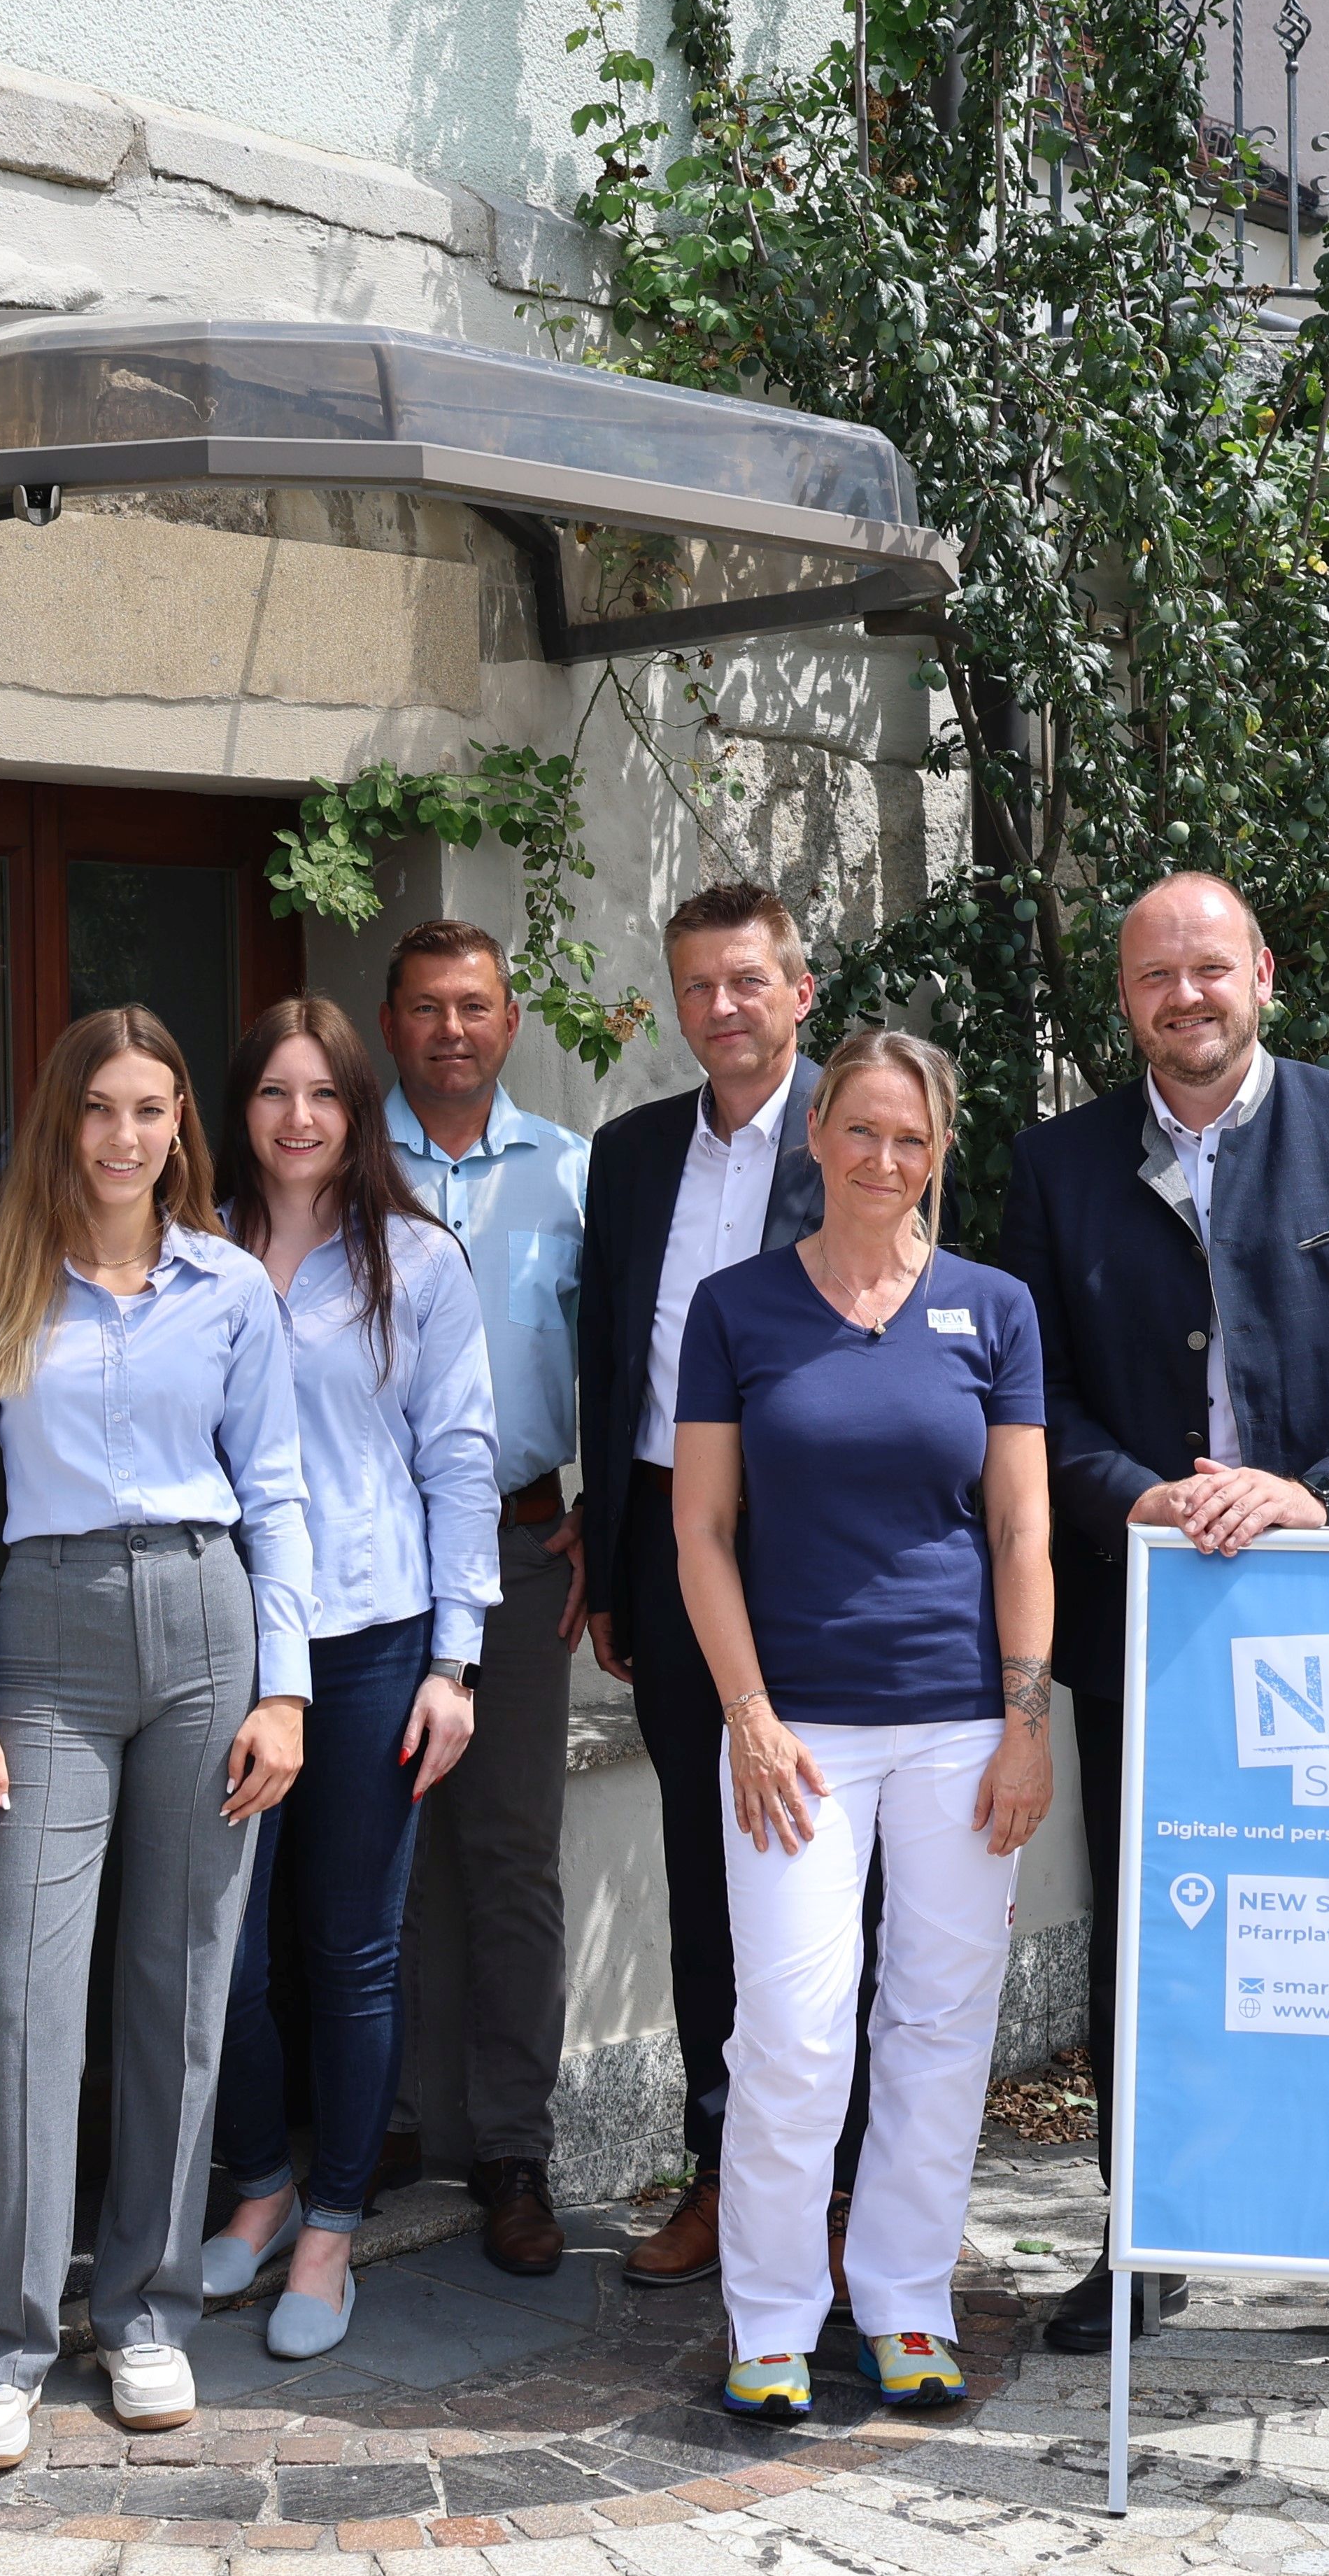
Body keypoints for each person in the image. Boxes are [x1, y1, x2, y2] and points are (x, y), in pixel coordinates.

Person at [993, 872, 1329, 2388]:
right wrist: (1136, 1496)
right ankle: (1148, 2233)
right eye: (1156, 976)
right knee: (1158, 1934)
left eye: (1210, 969)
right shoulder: (1059, 1165)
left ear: (1262, 973)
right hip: (1154, 1614)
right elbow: (1031, 1402)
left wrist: (1314, 1494)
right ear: (1125, 998)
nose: (1185, 997)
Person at [0, 1005, 315, 2471]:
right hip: (51, 1640)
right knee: (27, 1990)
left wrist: (288, 1686)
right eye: (102, 1109)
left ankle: (147, 2310)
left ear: (179, 1129)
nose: (127, 1136)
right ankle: (2, 2346)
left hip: (211, 1631)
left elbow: (276, 1489)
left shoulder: (228, 1290)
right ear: (62, 1123)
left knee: (184, 1984)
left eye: (153, 1109)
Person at [671, 1028, 1056, 2421]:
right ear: (818, 1136)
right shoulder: (739, 1309)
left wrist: (1028, 1717)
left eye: (913, 1138)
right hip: (795, 1736)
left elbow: (1023, 1525)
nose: (884, 1159)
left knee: (942, 2025)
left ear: (936, 1153)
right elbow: (701, 1532)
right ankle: (771, 2312)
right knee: (790, 2028)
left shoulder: (994, 1310)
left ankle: (903, 2299)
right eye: (861, 1131)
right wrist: (752, 1715)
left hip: (963, 1725)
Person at [580, 881, 876, 2290]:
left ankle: (838, 2191)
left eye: (748, 982)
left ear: (798, 991)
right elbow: (607, 1360)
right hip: (663, 1537)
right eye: (698, 985)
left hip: (810, 1551)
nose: (722, 1009)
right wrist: (608, 1554)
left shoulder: (857, 1138)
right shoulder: (632, 1152)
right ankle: (721, 2168)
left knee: (827, 1872)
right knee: (705, 1871)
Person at [201, 996, 501, 2358]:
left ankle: (331, 2225)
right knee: (230, 1950)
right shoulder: (189, 1249)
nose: (300, 1117)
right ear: (242, 1105)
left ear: (357, 1108)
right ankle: (259, 2185)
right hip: (219, 1643)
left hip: (374, 1637)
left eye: (325, 1093)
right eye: (274, 1090)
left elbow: (459, 1460)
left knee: (352, 1948)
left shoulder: (417, 1262)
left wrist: (455, 1658)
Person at [380, 921, 595, 2279]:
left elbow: (631, 1361)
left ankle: (514, 2145)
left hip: (521, 1557)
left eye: (475, 1006)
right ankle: (383, 2126)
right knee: (376, 1853)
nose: (452, 1029)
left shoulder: (575, 1176)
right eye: (425, 1008)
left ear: (511, 1020)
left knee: (512, 1858)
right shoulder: (341, 1160)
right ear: (389, 1022)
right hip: (369, 1562)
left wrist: (610, 1524)